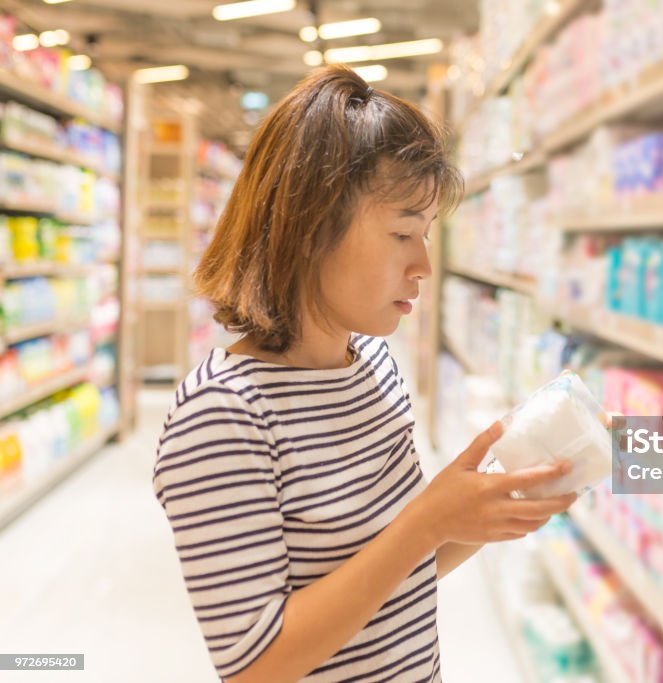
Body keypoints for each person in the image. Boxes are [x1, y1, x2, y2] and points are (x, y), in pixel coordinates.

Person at [152, 65, 577, 683]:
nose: (425, 264)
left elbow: (390, 575)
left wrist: (500, 500)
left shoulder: (372, 366)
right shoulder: (222, 415)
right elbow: (255, 666)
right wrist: (425, 522)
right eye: (403, 232)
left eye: (427, 233)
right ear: (308, 228)